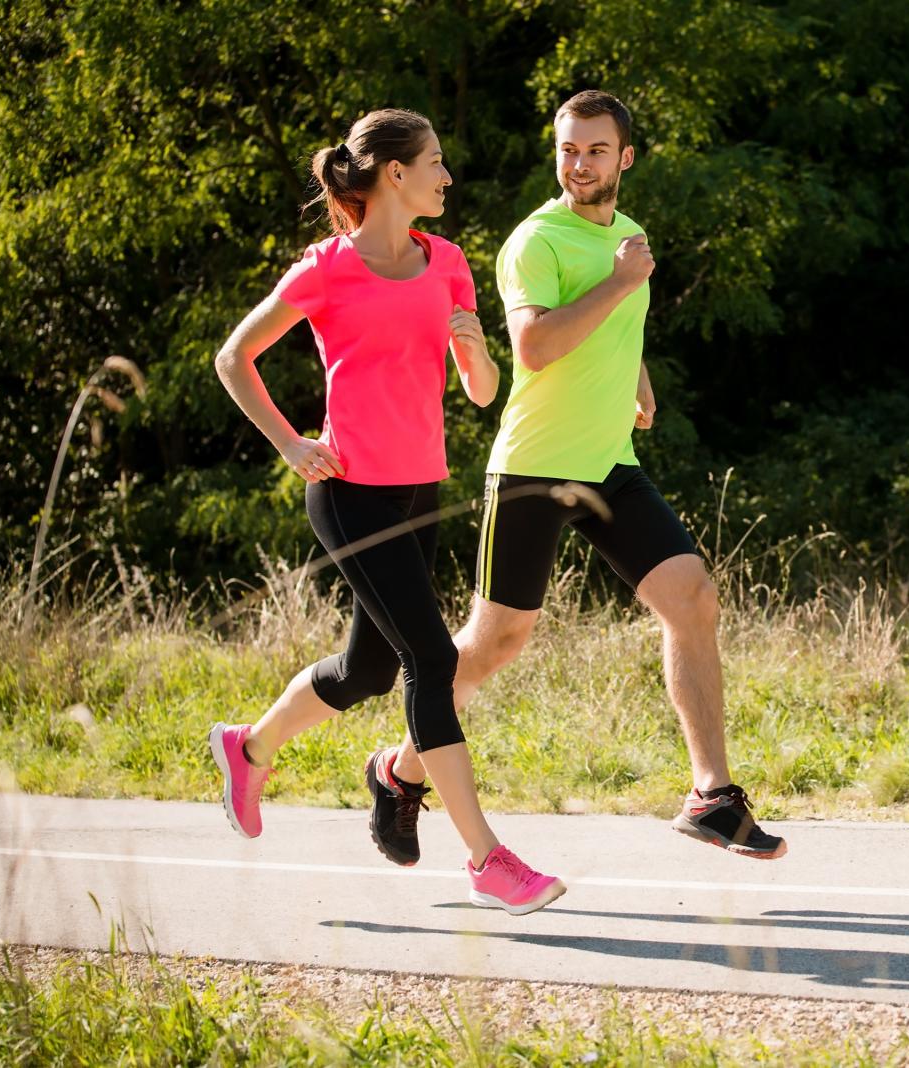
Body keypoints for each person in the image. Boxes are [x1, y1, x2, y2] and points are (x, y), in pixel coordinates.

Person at [368, 90, 787, 863]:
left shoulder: (628, 237)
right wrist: (625, 286)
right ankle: (399, 772)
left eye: (596, 150)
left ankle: (711, 795)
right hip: (534, 468)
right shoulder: (536, 241)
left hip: (608, 465)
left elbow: (612, 326)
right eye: (567, 149)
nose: (580, 163)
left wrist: (637, 375)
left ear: (624, 157)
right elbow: (532, 347)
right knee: (496, 645)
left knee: (692, 597)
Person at [207, 108, 566, 916]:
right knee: (432, 660)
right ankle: (486, 859)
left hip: (418, 488)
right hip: (347, 490)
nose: (447, 175)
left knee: (369, 669)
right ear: (393, 174)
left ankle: (249, 746)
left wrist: (473, 348)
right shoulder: (325, 269)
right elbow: (234, 357)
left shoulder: (448, 263)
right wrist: (291, 443)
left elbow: (479, 392)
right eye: (435, 162)